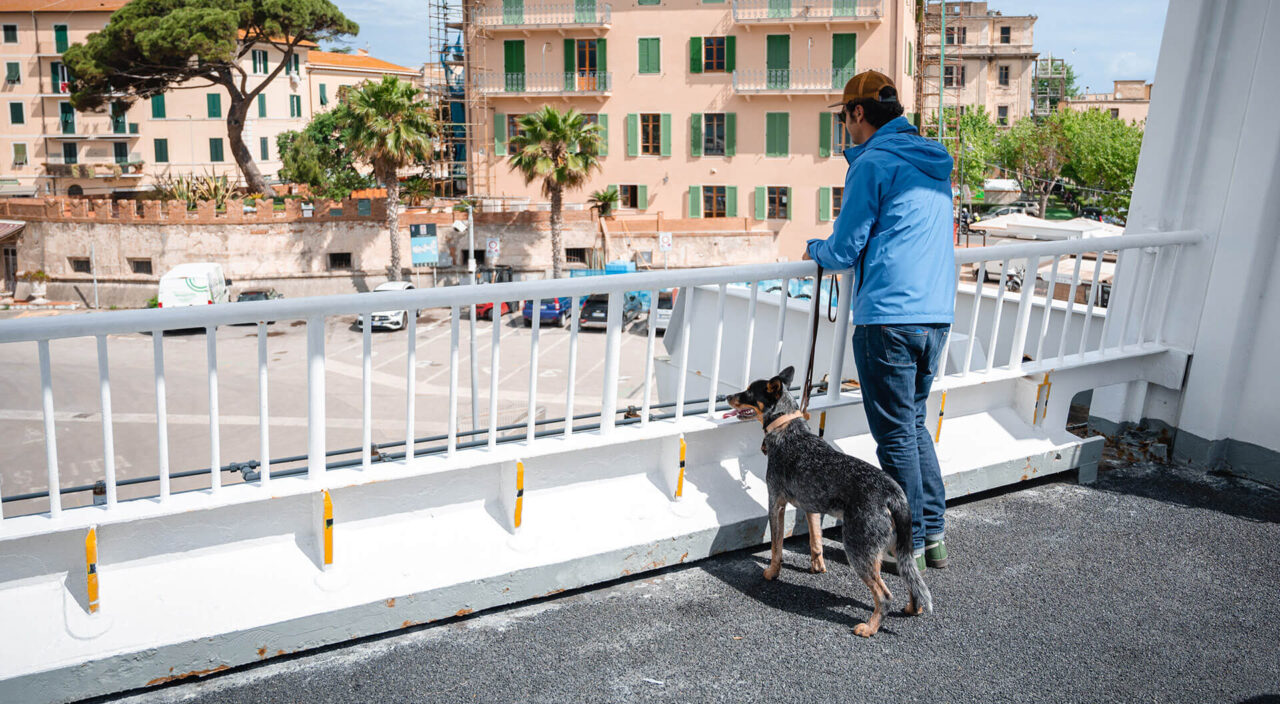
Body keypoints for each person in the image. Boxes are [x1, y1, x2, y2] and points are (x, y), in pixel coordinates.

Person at [804, 71, 956, 574]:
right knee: (913, 426)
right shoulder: (933, 161)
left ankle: (902, 547)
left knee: (894, 439)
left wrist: (814, 250)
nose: (844, 126)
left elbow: (844, 250)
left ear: (859, 114)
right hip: (936, 315)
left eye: (843, 116)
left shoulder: (872, 163)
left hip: (889, 317)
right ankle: (932, 537)